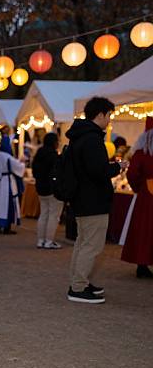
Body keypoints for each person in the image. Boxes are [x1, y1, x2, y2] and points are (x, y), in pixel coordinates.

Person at [66, 97, 128, 304]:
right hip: (93, 200)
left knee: (83, 243)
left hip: (82, 199)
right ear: (100, 114)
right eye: (109, 115)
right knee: (91, 246)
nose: (110, 120)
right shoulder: (91, 139)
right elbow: (97, 171)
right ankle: (78, 286)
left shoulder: (80, 136)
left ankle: (79, 282)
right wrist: (117, 167)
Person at [120, 119, 153, 278]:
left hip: (147, 195)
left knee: (144, 229)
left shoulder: (141, 153)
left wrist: (139, 187)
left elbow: (132, 173)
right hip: (147, 193)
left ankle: (142, 263)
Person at [32, 132, 63, 249]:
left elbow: (35, 171)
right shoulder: (54, 155)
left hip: (40, 189)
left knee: (44, 214)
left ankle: (41, 240)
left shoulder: (39, 153)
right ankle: (49, 241)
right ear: (54, 142)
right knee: (53, 216)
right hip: (52, 190)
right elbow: (58, 172)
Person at [0, 135, 25, 234]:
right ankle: (6, 228)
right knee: (7, 204)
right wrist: (22, 163)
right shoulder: (7, 156)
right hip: (7, 182)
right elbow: (17, 167)